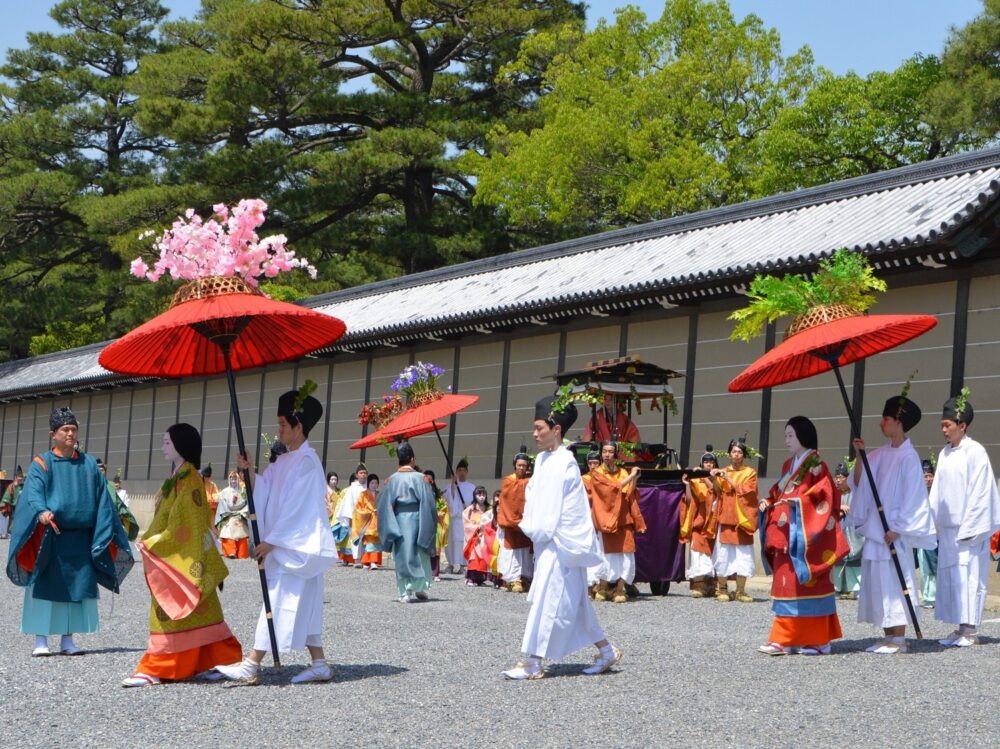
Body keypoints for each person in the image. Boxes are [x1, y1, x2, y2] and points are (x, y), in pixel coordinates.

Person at [215, 387, 338, 684]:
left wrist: (273, 540)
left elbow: (300, 508)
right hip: (287, 544)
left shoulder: (308, 463)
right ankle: (319, 662)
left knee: (278, 600)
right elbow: (267, 490)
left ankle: (252, 663)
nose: (279, 429)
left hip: (293, 545)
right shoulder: (284, 460)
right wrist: (249, 471)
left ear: (299, 427)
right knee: (302, 603)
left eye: (283, 424)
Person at [502, 395, 621, 680]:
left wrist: (533, 528)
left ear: (556, 429)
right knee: (577, 604)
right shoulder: (543, 460)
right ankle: (607, 652)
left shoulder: (565, 462)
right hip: (548, 541)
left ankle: (533, 661)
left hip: (560, 543)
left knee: (548, 598)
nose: (535, 433)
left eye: (539, 427)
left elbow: (554, 509)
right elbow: (535, 497)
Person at [5, 407, 133, 656]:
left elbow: (102, 499)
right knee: (43, 587)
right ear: (52, 434)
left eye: (74, 429)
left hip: (80, 539)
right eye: (65, 429)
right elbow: (33, 492)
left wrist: (104, 527)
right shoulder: (42, 462)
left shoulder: (88, 464)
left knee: (77, 589)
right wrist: (41, 511)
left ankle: (67, 640)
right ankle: (40, 640)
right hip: (51, 536)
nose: (70, 433)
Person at [122, 424, 242, 687]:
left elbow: (182, 523)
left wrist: (154, 541)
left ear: (181, 445)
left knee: (169, 609)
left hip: (185, 554)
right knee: (202, 608)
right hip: (189, 555)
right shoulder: (178, 477)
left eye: (167, 442)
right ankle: (214, 660)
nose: (163, 446)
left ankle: (157, 666)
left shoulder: (188, 479)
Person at [847, 395, 936, 654]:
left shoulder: (909, 457)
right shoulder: (879, 455)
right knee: (879, 582)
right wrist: (860, 455)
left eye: (885, 419)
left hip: (895, 532)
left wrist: (897, 527)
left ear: (898, 423)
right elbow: (859, 482)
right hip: (878, 531)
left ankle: (898, 637)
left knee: (896, 581)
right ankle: (887, 634)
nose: (880, 424)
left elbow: (914, 497)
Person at [757, 416, 846, 656]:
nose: (786, 440)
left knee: (807, 587)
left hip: (806, 536)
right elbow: (779, 489)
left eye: (791, 435)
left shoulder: (817, 465)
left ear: (803, 436)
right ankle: (792, 639)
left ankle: (810, 640)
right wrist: (769, 500)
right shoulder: (789, 465)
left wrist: (796, 503)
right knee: (787, 585)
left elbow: (825, 497)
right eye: (785, 435)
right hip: (785, 533)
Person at [927, 393, 1000, 647]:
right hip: (948, 529)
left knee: (969, 576)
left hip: (968, 529)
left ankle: (970, 629)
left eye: (947, 425)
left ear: (962, 425)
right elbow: (937, 492)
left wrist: (971, 527)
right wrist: (931, 522)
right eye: (942, 425)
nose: (944, 430)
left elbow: (982, 492)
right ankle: (960, 626)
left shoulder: (975, 451)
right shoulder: (945, 453)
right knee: (952, 578)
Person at [586, 441, 645, 603]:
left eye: (610, 452)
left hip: (623, 518)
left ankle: (620, 588)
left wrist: (634, 480)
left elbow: (628, 493)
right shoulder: (597, 473)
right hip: (607, 519)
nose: (607, 454)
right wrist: (631, 476)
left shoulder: (623, 472)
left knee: (626, 553)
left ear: (616, 454)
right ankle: (604, 587)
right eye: (604, 451)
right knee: (607, 555)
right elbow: (611, 489)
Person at [377, 442, 437, 603]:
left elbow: (383, 506)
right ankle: (420, 587)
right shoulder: (421, 478)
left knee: (402, 555)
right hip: (419, 517)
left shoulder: (391, 480)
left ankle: (404, 591)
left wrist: (389, 523)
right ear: (412, 459)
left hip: (398, 520)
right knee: (420, 552)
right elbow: (430, 505)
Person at [710, 437, 758, 603]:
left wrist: (728, 479)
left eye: (739, 452)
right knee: (723, 554)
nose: (736, 455)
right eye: (734, 452)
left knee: (743, 556)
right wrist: (715, 478)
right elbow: (717, 492)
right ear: (729, 454)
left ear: (743, 455)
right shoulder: (723, 471)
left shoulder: (750, 472)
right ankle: (722, 588)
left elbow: (749, 491)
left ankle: (740, 590)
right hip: (727, 516)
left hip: (742, 519)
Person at [680, 447, 719, 599]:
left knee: (711, 555)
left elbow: (717, 493)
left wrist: (707, 478)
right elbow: (689, 500)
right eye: (706, 462)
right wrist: (687, 484)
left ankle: (711, 585)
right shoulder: (695, 480)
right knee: (697, 553)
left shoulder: (718, 478)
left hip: (713, 523)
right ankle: (698, 585)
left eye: (711, 462)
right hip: (699, 522)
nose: (708, 464)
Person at [496, 451, 534, 593]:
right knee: (511, 552)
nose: (521, 468)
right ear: (514, 466)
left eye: (524, 466)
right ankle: (513, 579)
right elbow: (509, 500)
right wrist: (512, 519)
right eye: (519, 465)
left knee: (525, 550)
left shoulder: (530, 481)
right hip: (510, 520)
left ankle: (524, 577)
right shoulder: (508, 480)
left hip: (524, 522)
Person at [831, 463, 863, 601]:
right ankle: (836, 589)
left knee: (855, 557)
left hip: (852, 529)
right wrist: (838, 506)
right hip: (837, 529)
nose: (838, 480)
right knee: (837, 558)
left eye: (841, 477)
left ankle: (857, 588)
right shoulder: (832, 491)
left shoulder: (856, 490)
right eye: (836, 477)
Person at [581, 450, 610, 599]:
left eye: (596, 463)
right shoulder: (583, 479)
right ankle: (588, 584)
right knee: (589, 550)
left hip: (602, 518)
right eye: (590, 463)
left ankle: (602, 583)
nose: (593, 466)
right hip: (588, 519)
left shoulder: (605, 477)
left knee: (602, 551)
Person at [444, 457, 475, 574]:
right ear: (456, 472)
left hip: (464, 519)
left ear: (467, 472)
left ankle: (462, 564)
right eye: (459, 470)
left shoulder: (472, 487)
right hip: (453, 519)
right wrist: (452, 486)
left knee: (462, 541)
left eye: (464, 470)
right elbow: (448, 500)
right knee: (451, 541)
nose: (461, 473)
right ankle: (451, 564)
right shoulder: (449, 486)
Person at [334, 464, 367, 566]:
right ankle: (357, 559)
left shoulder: (369, 486)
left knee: (366, 538)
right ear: (357, 475)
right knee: (355, 538)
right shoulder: (352, 488)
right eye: (361, 473)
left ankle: (365, 559)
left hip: (367, 516)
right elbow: (348, 503)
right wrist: (349, 517)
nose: (363, 475)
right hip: (355, 516)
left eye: (365, 473)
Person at [98, 459, 138, 542]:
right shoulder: (88, 485)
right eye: (97, 469)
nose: (99, 472)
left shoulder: (111, 486)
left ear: (105, 472)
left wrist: (123, 514)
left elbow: (119, 505)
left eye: (101, 470)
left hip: (110, 522)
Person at [215, 471, 250, 559]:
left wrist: (242, 510)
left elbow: (246, 502)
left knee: (242, 533)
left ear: (238, 480)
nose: (233, 481)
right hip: (228, 515)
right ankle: (231, 552)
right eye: (231, 479)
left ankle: (242, 553)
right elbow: (220, 503)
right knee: (227, 532)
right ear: (229, 480)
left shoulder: (243, 491)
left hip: (240, 514)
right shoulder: (224, 492)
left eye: (235, 479)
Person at [917, 459, 938, 608]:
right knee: (925, 567)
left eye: (930, 475)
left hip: (937, 535)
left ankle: (937, 596)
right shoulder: (916, 493)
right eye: (925, 476)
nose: (928, 479)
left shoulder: (938, 492)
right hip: (922, 534)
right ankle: (928, 596)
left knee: (937, 565)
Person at [463, 486, 493, 586]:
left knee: (484, 558)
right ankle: (471, 578)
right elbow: (466, 522)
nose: (481, 497)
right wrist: (476, 527)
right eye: (479, 495)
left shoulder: (489, 509)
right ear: (475, 496)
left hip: (485, 536)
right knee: (474, 558)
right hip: (474, 537)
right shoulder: (470, 509)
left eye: (483, 495)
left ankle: (480, 580)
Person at [351, 473, 382, 570]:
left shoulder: (380, 494)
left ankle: (368, 561)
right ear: (368, 484)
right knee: (368, 542)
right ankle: (370, 562)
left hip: (377, 521)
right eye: (372, 483)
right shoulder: (363, 494)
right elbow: (358, 509)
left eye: (376, 483)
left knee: (375, 543)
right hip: (367, 521)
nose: (374, 485)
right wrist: (369, 512)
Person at [1, 465, 24, 539]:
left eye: (21, 478)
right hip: (13, 506)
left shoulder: (23, 486)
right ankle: (10, 532)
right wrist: (4, 503)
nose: (20, 480)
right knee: (12, 518)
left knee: (20, 519)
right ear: (16, 478)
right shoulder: (11, 486)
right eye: (19, 478)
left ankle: (18, 533)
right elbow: (7, 495)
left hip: (21, 505)